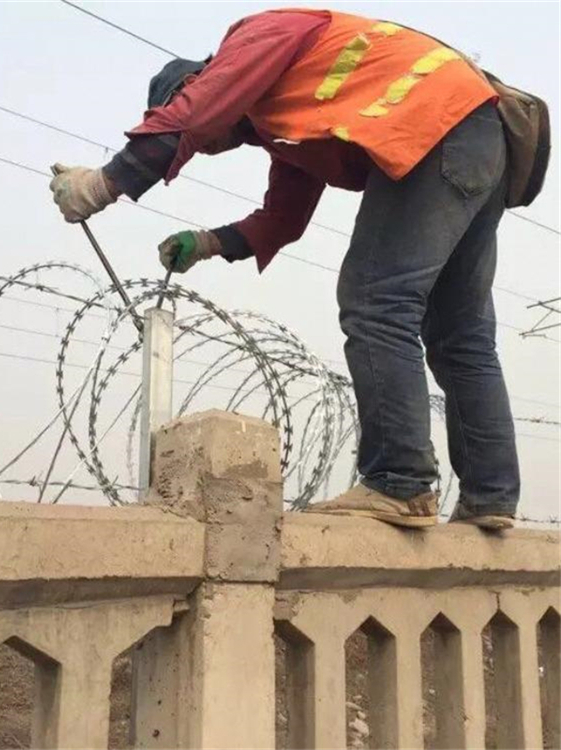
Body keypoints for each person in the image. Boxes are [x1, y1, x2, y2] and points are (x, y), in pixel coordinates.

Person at [50, 8, 522, 530]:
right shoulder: (288, 122)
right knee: (461, 334)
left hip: (435, 123)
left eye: (206, 142)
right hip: (481, 132)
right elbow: (283, 219)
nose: (208, 148)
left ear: (198, 82)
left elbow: (194, 114)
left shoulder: (255, 36)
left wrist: (99, 185)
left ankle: (400, 482)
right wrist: (207, 243)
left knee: (376, 301)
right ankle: (490, 494)